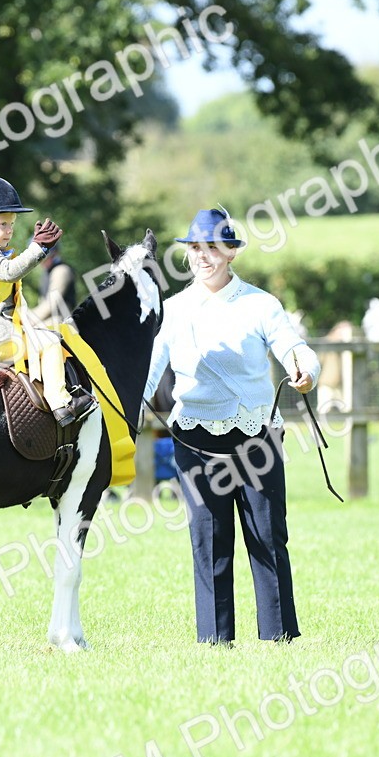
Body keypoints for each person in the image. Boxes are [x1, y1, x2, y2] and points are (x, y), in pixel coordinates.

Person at [143, 208, 320, 645]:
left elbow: (294, 348)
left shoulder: (261, 304)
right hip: (195, 438)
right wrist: (126, 400)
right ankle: (215, 639)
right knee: (208, 539)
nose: (203, 256)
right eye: (195, 249)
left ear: (232, 252)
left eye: (213, 248)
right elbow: (150, 370)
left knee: (267, 536)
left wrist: (306, 370)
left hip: (256, 435)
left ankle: (278, 635)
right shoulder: (173, 310)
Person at [0, 172, 94, 427]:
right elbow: (10, 271)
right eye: (3, 224)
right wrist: (38, 249)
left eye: (11, 224)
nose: (10, 230)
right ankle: (61, 404)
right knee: (50, 342)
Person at [32, 246, 77, 326]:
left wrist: (28, 319)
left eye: (45, 258)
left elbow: (51, 304)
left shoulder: (61, 270)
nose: (42, 262)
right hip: (50, 319)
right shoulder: (47, 272)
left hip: (61, 320)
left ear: (55, 254)